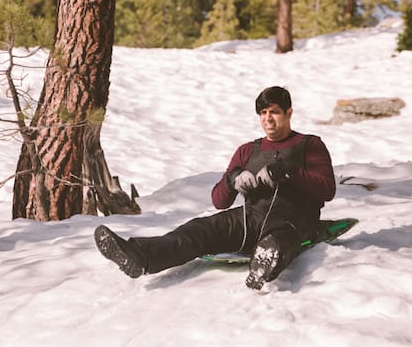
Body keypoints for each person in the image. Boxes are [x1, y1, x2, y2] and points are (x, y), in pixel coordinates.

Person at [94, 85, 337, 289]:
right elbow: (219, 201)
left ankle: (265, 262)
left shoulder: (309, 145)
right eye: (263, 113)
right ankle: (141, 255)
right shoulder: (247, 150)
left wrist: (288, 171)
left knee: (279, 240)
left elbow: (327, 189)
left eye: (274, 112)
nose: (267, 119)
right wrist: (233, 179)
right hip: (250, 219)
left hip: (293, 220)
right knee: (201, 228)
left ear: (289, 112)